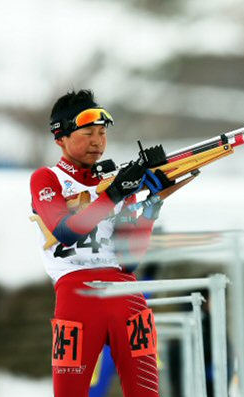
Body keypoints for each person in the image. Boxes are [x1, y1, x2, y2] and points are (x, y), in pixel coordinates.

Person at [29, 89, 165, 397]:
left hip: (126, 295)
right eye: (88, 132)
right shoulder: (47, 179)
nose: (97, 141)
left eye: (102, 133)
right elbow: (65, 231)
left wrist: (151, 206)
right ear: (60, 136)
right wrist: (115, 193)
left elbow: (129, 260)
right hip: (76, 298)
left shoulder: (116, 180)